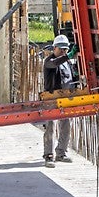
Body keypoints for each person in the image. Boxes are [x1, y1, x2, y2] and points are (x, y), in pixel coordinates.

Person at [39, 34, 76, 164]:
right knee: (50, 126)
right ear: (54, 48)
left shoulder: (67, 62)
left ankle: (61, 152)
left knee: (66, 125)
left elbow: (71, 77)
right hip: (51, 98)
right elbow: (54, 64)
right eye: (61, 49)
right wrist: (68, 56)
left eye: (65, 50)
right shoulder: (49, 61)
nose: (63, 52)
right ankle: (48, 155)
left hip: (66, 98)